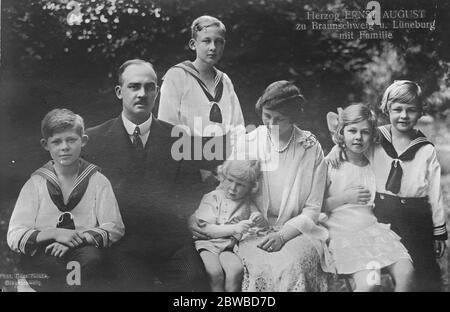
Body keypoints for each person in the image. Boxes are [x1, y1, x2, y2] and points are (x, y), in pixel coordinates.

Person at [190, 80, 330, 291]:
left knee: (290, 266)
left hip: (297, 231)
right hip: (252, 230)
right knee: (258, 266)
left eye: (279, 119)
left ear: (293, 117)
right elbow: (229, 188)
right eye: (266, 116)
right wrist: (199, 216)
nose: (271, 124)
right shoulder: (249, 142)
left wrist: (283, 236)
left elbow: (312, 209)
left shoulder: (309, 147)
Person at [82, 59, 207, 291]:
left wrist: (189, 215)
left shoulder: (179, 138)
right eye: (134, 86)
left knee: (195, 283)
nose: (142, 93)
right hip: (122, 245)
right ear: (119, 92)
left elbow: (192, 190)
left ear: (157, 92)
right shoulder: (94, 139)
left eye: (149, 87)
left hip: (172, 243)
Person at [327, 81, 447, 291]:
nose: (403, 115)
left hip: (415, 215)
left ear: (420, 112)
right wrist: (337, 148)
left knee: (422, 271)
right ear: (386, 109)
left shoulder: (425, 149)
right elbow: (353, 142)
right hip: (382, 212)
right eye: (397, 109)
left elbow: (435, 193)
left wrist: (438, 231)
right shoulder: (375, 138)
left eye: (411, 110)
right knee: (375, 274)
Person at [7, 108, 125, 291]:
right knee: (47, 269)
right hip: (44, 252)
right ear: (46, 145)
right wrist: (55, 233)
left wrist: (76, 238)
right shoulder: (36, 184)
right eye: (56, 142)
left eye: (71, 140)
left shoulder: (97, 181)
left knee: (89, 261)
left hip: (83, 250)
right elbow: (14, 234)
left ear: (83, 141)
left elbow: (114, 226)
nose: (64, 147)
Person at [323, 104, 414, 291]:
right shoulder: (330, 164)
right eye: (352, 131)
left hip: (374, 234)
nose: (358, 137)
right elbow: (313, 206)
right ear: (341, 133)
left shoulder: (373, 162)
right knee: (371, 283)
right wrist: (345, 197)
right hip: (346, 237)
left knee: (406, 272)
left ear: (372, 136)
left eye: (365, 132)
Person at [158, 15, 245, 178]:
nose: (213, 47)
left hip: (224, 165)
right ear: (193, 44)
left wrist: (230, 165)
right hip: (188, 164)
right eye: (206, 41)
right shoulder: (177, 75)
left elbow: (237, 128)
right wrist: (201, 170)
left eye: (219, 41)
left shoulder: (225, 80)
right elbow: (167, 128)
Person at [193, 159, 267, 291]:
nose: (233, 188)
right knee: (215, 273)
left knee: (236, 270)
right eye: (230, 180)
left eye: (240, 185)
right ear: (223, 177)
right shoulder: (213, 197)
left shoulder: (247, 202)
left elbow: (261, 227)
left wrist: (259, 220)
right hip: (208, 245)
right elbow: (206, 230)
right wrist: (235, 228)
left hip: (229, 247)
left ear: (251, 187)